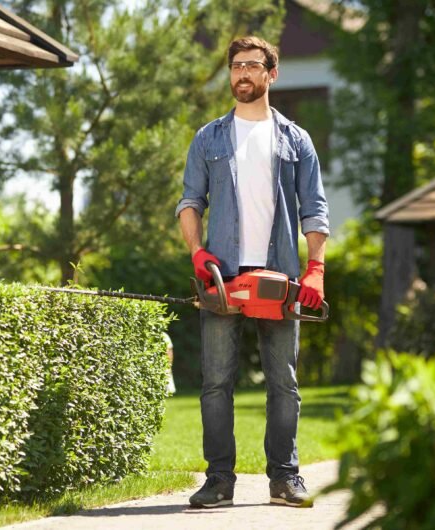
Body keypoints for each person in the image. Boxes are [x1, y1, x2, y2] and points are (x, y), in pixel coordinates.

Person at [175, 36, 328, 509]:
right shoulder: (209, 138)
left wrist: (316, 268)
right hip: (222, 278)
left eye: (252, 66)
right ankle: (219, 479)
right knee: (216, 382)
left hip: (280, 275)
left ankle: (284, 478)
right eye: (236, 66)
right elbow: (189, 202)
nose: (242, 73)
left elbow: (315, 210)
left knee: (284, 382)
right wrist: (198, 253)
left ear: (271, 74)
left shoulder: (296, 140)